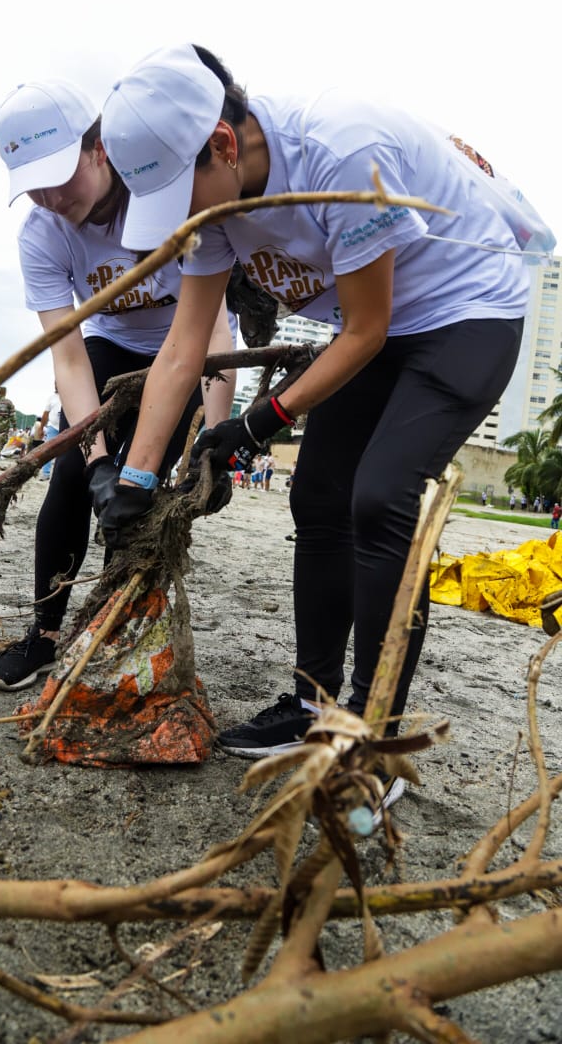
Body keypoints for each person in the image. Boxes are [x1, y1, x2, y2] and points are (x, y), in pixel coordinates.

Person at [97, 42, 535, 805]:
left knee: (379, 496)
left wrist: (258, 422)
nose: (184, 220)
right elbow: (184, 342)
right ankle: (311, 701)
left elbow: (364, 330)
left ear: (223, 145)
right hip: (385, 327)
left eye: (183, 194)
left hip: (469, 310)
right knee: (318, 498)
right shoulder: (220, 200)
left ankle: (373, 726)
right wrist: (133, 477)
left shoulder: (338, 154)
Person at [0, 78, 236, 691]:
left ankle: (112, 628)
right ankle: (45, 635)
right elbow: (68, 359)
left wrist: (218, 439)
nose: (48, 195)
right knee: (73, 477)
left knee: (138, 495)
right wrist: (93, 458)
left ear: (99, 147)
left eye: (59, 173)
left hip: (184, 352)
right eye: (33, 184)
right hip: (107, 346)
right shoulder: (42, 235)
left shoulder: (162, 200)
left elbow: (217, 335)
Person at [39, 385, 62, 480]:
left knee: (65, 452)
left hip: (67, 427)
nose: (56, 385)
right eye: (55, 383)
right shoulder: (52, 398)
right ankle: (45, 473)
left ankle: (60, 474)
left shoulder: (70, 394)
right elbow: (45, 414)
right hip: (53, 427)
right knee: (48, 450)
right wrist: (41, 428)